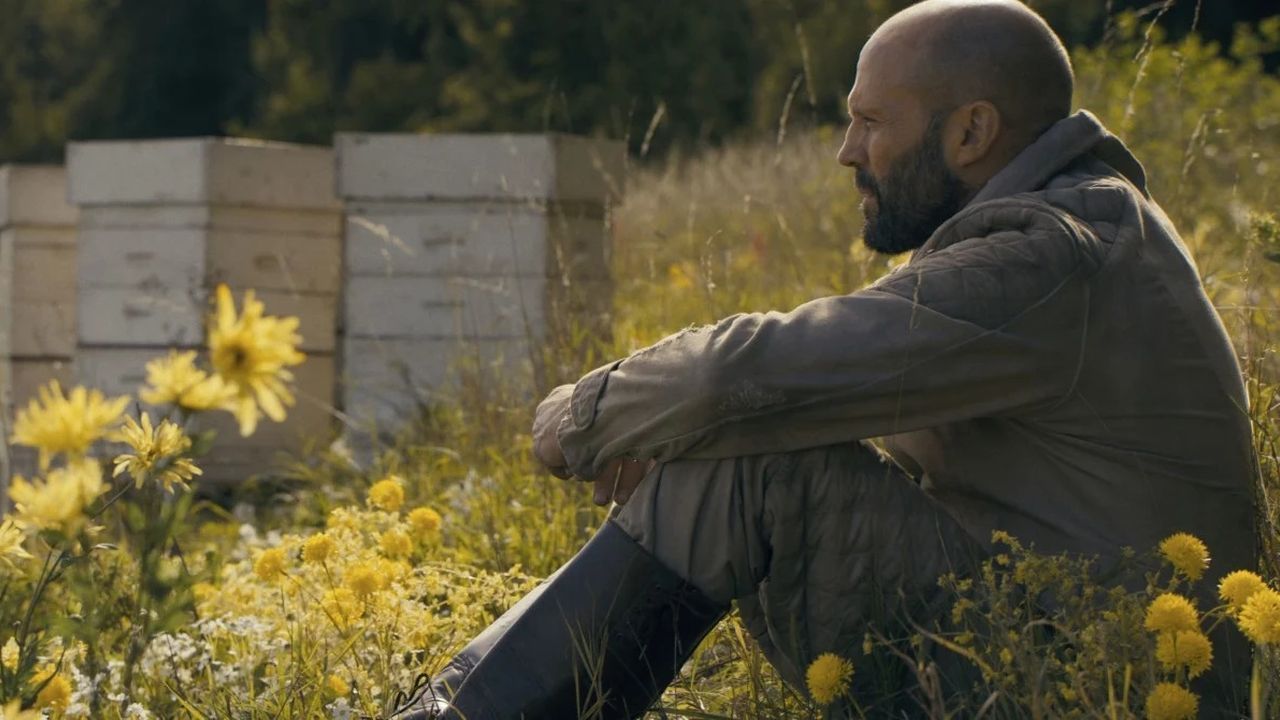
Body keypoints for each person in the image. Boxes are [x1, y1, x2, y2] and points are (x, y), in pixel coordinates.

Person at [394, 0, 1258, 717]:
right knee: (744, 435)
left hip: (1102, 687)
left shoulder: (1047, 257)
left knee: (752, 456)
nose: (847, 152)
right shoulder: (1086, 226)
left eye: (870, 122)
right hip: (1075, 654)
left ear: (971, 133)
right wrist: (695, 428)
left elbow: (741, 374)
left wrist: (581, 416)